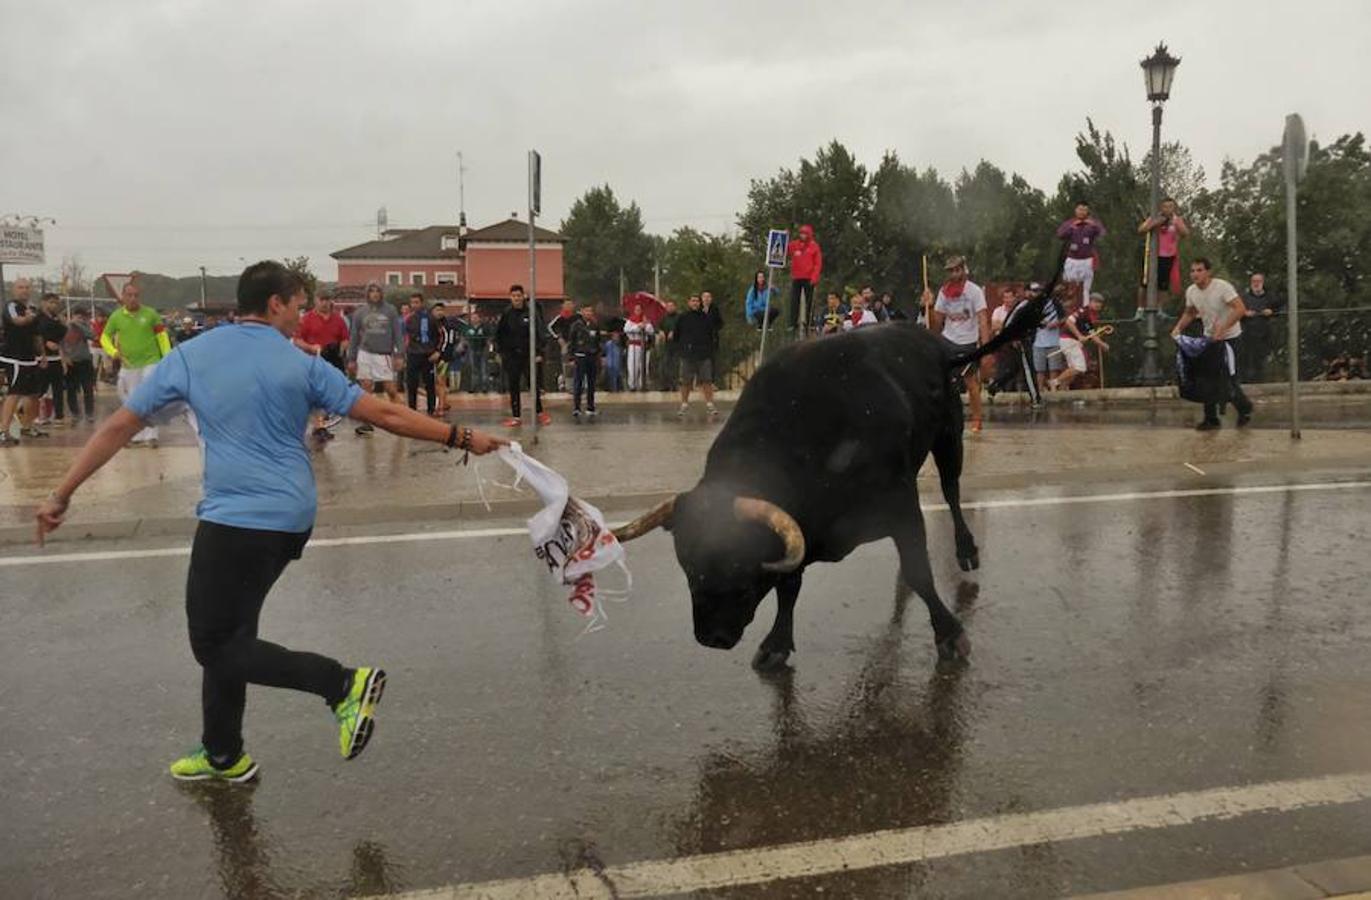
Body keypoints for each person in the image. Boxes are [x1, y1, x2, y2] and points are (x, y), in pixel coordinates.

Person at [34, 260, 506, 783]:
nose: (302, 318)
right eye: (298, 306)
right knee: (234, 636)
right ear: (274, 303)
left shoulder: (195, 356)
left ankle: (342, 685)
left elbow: (119, 426)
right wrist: (460, 438)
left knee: (213, 644)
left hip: (237, 518)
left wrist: (61, 494)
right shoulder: (300, 364)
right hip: (289, 518)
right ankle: (222, 752)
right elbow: (385, 415)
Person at [1172, 258, 1253, 430]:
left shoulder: (1222, 287)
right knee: (1206, 378)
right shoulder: (1191, 291)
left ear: (1208, 272)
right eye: (1193, 271)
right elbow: (1190, 312)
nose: (1195, 274)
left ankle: (1244, 409)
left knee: (1228, 378)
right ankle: (1211, 419)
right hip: (1209, 339)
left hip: (1231, 338)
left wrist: (1223, 328)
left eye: (1199, 270)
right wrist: (1178, 328)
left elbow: (1240, 308)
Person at [101, 281, 171, 447]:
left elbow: (162, 337)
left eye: (136, 295)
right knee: (133, 400)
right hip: (130, 365)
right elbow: (104, 337)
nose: (133, 299)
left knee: (148, 396)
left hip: (151, 361)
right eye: (129, 295)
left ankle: (152, 435)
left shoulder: (151, 314)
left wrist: (167, 357)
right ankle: (137, 435)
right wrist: (114, 353)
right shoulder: (116, 317)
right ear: (123, 297)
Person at [926, 255, 990, 432]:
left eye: (957, 270)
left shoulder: (974, 291)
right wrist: (930, 307)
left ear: (964, 270)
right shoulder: (943, 292)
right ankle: (941, 418)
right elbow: (936, 325)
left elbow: (983, 320)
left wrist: (986, 349)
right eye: (951, 271)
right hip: (948, 341)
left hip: (968, 343)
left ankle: (977, 420)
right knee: (941, 381)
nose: (954, 274)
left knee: (970, 382)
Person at [347, 282, 404, 435]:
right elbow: (353, 336)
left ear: (381, 293)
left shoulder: (390, 310)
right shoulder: (360, 312)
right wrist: (351, 358)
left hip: (383, 354)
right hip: (365, 354)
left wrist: (399, 355)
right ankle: (367, 423)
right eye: (371, 291)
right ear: (367, 294)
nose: (374, 294)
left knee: (390, 389)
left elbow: (398, 334)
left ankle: (403, 419)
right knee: (366, 388)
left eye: (377, 291)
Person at [294, 289, 351, 438]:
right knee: (316, 394)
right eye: (322, 299)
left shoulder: (338, 319)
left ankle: (321, 423)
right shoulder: (306, 319)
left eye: (327, 300)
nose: (325, 303)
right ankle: (319, 426)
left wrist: (342, 349)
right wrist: (311, 348)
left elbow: (345, 338)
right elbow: (297, 340)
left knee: (331, 392)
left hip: (333, 360)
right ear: (315, 300)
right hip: (314, 360)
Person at [494, 284, 550, 427]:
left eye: (519, 296)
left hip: (529, 356)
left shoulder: (531, 312)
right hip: (512, 357)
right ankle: (516, 416)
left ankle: (540, 413)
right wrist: (499, 352)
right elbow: (499, 335)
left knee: (533, 385)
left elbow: (540, 333)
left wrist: (539, 352)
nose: (516, 298)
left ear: (523, 296)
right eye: (514, 296)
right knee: (514, 386)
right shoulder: (506, 314)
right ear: (510, 297)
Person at [0, 278, 45, 445]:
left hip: (30, 358)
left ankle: (27, 426)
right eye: (20, 287)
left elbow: (37, 335)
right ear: (14, 289)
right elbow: (17, 321)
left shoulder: (32, 308)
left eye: (27, 287)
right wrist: (27, 318)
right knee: (14, 393)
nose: (24, 290)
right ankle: (3, 431)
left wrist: (42, 355)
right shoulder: (11, 306)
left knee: (33, 394)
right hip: (14, 357)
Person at [1137, 197, 1189, 316]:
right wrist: (1155, 223)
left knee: (1163, 284)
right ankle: (1140, 309)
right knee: (1144, 283)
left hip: (1168, 255)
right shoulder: (1155, 217)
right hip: (1152, 255)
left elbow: (1185, 233)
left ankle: (1160, 309)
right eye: (1165, 206)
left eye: (1170, 207)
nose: (1168, 209)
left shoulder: (1176, 219)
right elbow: (1141, 230)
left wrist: (1176, 224)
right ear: (1161, 207)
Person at [674, 294, 717, 418]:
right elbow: (677, 335)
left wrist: (709, 349)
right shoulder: (683, 317)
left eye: (697, 301)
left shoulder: (706, 317)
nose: (695, 303)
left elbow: (711, 334)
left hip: (703, 354)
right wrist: (682, 348)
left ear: (700, 303)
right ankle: (684, 404)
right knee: (685, 381)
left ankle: (710, 404)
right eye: (692, 301)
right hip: (687, 354)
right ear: (689, 303)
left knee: (707, 380)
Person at [1056, 201, 1106, 305]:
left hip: (1087, 260)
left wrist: (1094, 226)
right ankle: (1067, 308)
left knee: (1085, 289)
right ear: (1075, 210)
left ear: (1087, 211)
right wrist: (1071, 228)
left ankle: (1084, 310)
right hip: (1072, 259)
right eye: (1080, 209)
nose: (1082, 212)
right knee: (1069, 285)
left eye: (1084, 210)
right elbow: (1060, 234)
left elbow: (1102, 232)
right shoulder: (1070, 223)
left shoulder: (1092, 223)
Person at [1240, 272, 1283, 383]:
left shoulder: (1271, 297)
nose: (1256, 283)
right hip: (1247, 334)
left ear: (1263, 282)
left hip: (1265, 334)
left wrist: (1271, 312)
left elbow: (1280, 310)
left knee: (1262, 360)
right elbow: (1235, 312)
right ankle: (1246, 384)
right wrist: (1244, 313)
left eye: (1258, 281)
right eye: (1254, 281)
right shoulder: (1244, 298)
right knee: (1246, 361)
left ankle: (1261, 382)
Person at [402, 293, 441, 416]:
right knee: (411, 383)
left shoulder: (430, 318)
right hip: (413, 354)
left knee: (429, 383)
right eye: (412, 303)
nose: (414, 305)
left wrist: (437, 351)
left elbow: (439, 336)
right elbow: (404, 336)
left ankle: (431, 409)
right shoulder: (408, 319)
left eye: (416, 302)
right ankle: (412, 410)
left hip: (428, 355)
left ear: (422, 303)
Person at [35, 293, 69, 426]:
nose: (54, 305)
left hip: (56, 358)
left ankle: (59, 416)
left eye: (56, 303)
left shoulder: (56, 319)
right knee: (41, 388)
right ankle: (35, 415)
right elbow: (35, 337)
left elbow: (61, 337)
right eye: (51, 302)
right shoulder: (38, 318)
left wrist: (63, 357)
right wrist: (44, 345)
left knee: (58, 388)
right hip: (42, 358)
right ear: (43, 302)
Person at [567, 303, 603, 418]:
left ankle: (590, 407)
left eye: (590, 311)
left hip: (591, 357)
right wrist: (571, 357)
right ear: (581, 312)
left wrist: (599, 355)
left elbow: (597, 341)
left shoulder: (594, 325)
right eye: (586, 311)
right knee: (579, 382)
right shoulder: (576, 325)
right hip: (580, 356)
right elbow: (571, 342)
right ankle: (577, 408)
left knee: (591, 383)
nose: (588, 313)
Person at [1032, 287, 1066, 402]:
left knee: (1054, 368)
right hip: (1038, 342)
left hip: (1054, 341)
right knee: (1039, 370)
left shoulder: (1056, 303)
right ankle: (1039, 392)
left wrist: (1054, 324)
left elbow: (1064, 318)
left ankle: (1053, 393)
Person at [64, 307, 98, 423]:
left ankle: (89, 413)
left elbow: (93, 336)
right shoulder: (65, 327)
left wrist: (80, 325)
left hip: (85, 361)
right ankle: (75, 413)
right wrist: (65, 357)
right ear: (72, 316)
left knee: (88, 388)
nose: (79, 319)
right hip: (71, 362)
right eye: (77, 317)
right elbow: (60, 343)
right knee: (71, 389)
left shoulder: (85, 327)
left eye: (82, 317)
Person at [787, 224, 823, 331]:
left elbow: (818, 263)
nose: (803, 236)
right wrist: (786, 237)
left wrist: (815, 277)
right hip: (796, 276)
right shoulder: (795, 245)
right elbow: (786, 250)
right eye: (801, 233)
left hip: (809, 277)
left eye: (805, 234)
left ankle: (809, 322)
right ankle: (792, 323)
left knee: (809, 301)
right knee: (794, 300)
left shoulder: (814, 246)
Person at [623, 303, 654, 391]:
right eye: (636, 309)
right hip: (634, 345)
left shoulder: (646, 320)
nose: (638, 311)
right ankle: (632, 385)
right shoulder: (630, 321)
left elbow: (651, 331)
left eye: (639, 309)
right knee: (633, 366)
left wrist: (645, 325)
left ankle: (642, 384)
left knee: (644, 366)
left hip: (644, 346)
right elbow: (626, 330)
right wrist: (638, 326)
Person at [657, 299, 680, 391]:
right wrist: (660, 331)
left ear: (675, 307)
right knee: (664, 365)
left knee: (675, 366)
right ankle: (665, 385)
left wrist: (674, 332)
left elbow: (682, 328)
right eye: (668, 306)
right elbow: (658, 327)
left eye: (671, 306)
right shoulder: (664, 318)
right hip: (666, 345)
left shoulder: (679, 317)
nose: (670, 308)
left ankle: (674, 385)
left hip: (676, 345)